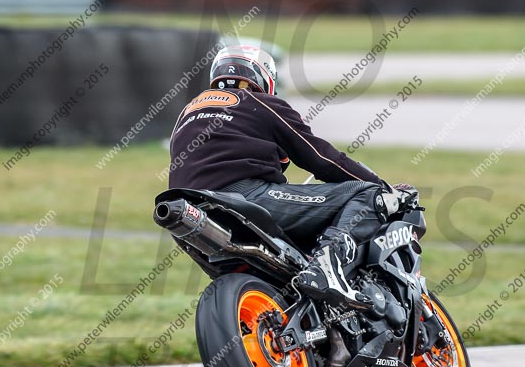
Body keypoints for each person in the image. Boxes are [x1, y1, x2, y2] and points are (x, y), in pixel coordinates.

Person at [168, 45, 415, 308]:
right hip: (245, 196)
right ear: (264, 77)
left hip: (185, 211)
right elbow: (322, 159)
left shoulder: (187, 113)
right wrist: (383, 187)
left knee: (278, 284)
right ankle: (326, 268)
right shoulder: (262, 103)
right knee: (367, 194)